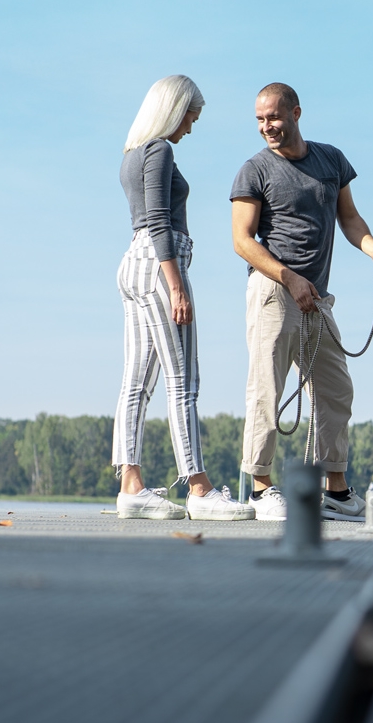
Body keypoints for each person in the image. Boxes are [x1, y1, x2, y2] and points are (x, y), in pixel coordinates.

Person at [231, 83, 373, 521]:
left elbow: (349, 218)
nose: (266, 127)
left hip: (318, 298)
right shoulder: (254, 170)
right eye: (259, 120)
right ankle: (260, 488)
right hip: (275, 290)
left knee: (335, 389)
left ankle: (336, 491)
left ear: (296, 113)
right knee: (265, 390)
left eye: (273, 117)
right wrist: (289, 278)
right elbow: (241, 241)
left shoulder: (330, 160)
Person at [114, 75, 254, 521]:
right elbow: (158, 221)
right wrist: (176, 285)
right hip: (161, 264)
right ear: (174, 109)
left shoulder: (131, 154)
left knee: (136, 382)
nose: (191, 126)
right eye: (191, 115)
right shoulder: (159, 150)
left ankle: (131, 485)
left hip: (134, 265)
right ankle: (198, 487)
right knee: (183, 381)